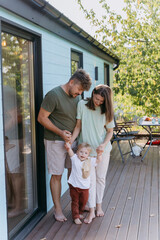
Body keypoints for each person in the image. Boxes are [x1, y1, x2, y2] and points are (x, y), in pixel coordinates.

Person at [37, 69, 92, 222]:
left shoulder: (75, 97)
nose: (79, 93)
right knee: (57, 175)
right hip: (55, 141)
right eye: (79, 89)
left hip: (72, 141)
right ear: (72, 82)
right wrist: (60, 132)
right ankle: (58, 210)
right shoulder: (53, 95)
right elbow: (41, 118)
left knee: (74, 173)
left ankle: (78, 205)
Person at [71, 84, 115, 224]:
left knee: (100, 178)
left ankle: (99, 206)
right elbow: (78, 126)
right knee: (90, 181)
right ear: (93, 93)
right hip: (86, 151)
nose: (98, 103)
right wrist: (71, 142)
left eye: (101, 101)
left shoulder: (107, 110)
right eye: (96, 99)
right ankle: (91, 211)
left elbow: (110, 131)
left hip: (102, 150)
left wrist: (103, 144)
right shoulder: (82, 104)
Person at [65, 142, 102, 225]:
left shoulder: (90, 161)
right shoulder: (75, 159)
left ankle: (80, 212)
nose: (83, 154)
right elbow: (69, 151)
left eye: (85, 153)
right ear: (77, 152)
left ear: (88, 154)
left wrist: (99, 154)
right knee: (75, 201)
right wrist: (68, 146)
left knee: (83, 201)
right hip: (74, 185)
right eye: (81, 152)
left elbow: (98, 160)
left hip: (85, 187)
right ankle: (75, 216)